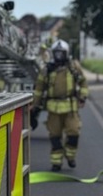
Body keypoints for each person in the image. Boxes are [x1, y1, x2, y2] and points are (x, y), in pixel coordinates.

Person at [30, 39, 89, 171]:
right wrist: (35, 105)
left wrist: (83, 97)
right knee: (55, 136)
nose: (58, 56)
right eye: (56, 53)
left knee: (74, 132)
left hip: (70, 108)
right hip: (53, 108)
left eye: (61, 53)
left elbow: (83, 83)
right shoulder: (47, 70)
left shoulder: (73, 68)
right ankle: (56, 162)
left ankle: (70, 156)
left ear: (66, 53)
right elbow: (39, 89)